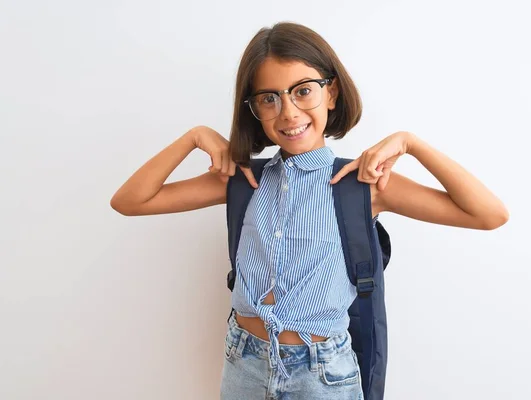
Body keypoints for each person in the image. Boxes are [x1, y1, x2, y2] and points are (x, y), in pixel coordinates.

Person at [110, 21, 509, 400]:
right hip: (243, 361)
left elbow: (488, 214)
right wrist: (194, 137)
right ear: (254, 109)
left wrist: (410, 143)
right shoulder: (244, 180)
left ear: (331, 93)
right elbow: (130, 201)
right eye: (269, 98)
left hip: (323, 373)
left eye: (303, 90)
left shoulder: (363, 184)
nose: (288, 112)